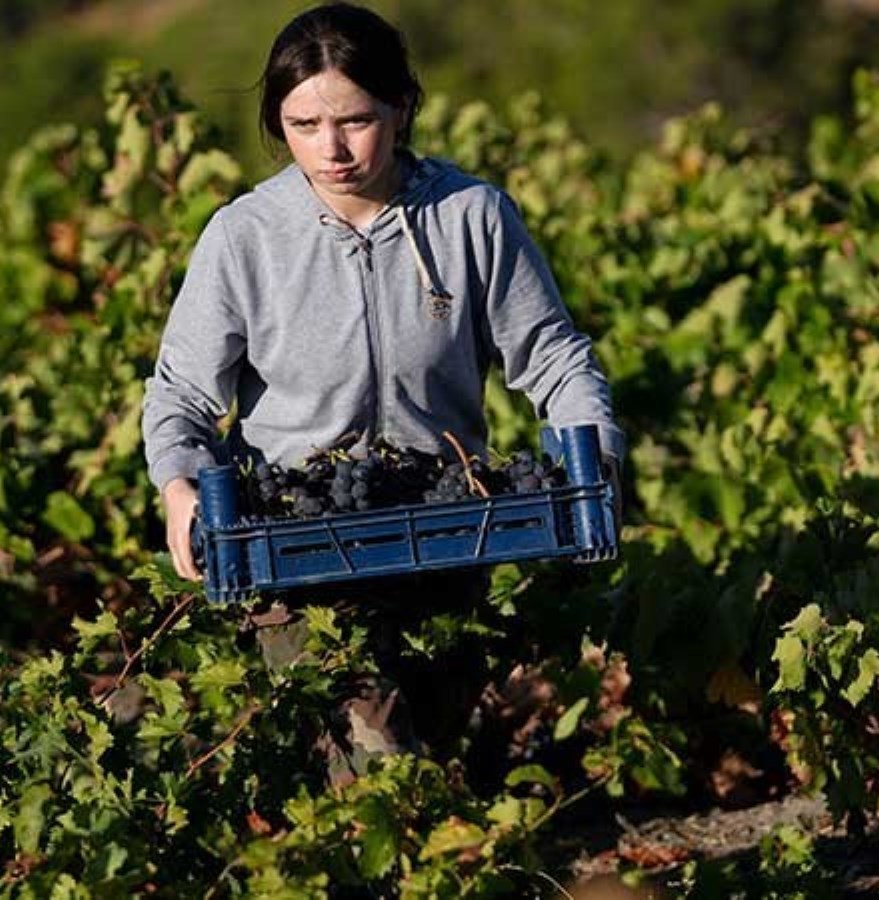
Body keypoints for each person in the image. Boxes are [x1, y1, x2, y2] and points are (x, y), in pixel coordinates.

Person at [140, 2, 623, 782]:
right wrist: (179, 487)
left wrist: (596, 452)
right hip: (298, 554)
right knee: (379, 771)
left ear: (401, 108)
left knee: (423, 774)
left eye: (355, 121)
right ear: (277, 124)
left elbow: (555, 359)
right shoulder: (244, 238)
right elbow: (182, 399)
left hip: (449, 538)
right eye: (302, 126)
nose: (329, 150)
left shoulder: (473, 218)